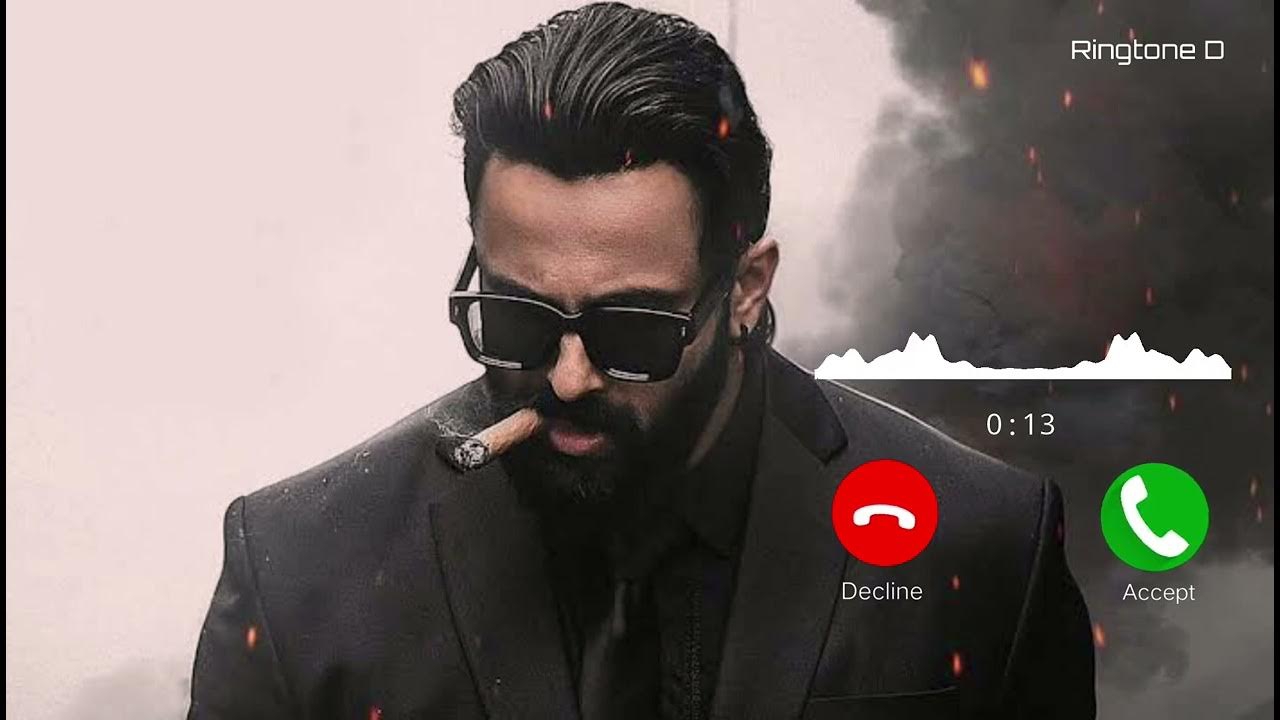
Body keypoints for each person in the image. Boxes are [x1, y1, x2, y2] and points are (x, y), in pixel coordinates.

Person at [186, 3, 1095, 718]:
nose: (568, 378)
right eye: (518, 317)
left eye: (630, 331)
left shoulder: (983, 545)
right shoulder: (300, 570)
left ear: (745, 289)